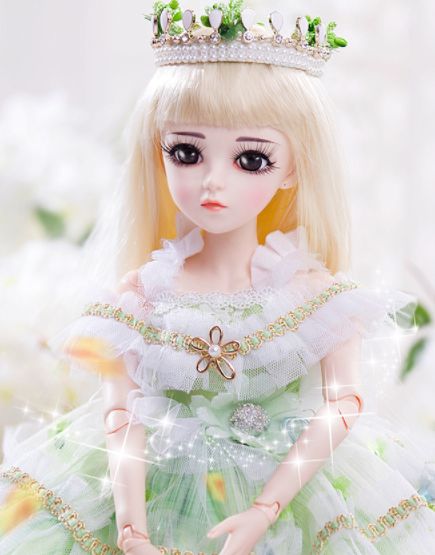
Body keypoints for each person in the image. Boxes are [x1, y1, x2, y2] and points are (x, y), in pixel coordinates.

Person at [1, 2, 435, 554]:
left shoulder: (315, 298)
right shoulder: (140, 298)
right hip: (153, 497)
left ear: (293, 169)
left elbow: (343, 404)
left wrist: (265, 508)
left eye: (250, 160)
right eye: (186, 152)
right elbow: (120, 415)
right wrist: (132, 532)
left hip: (291, 495)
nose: (212, 181)